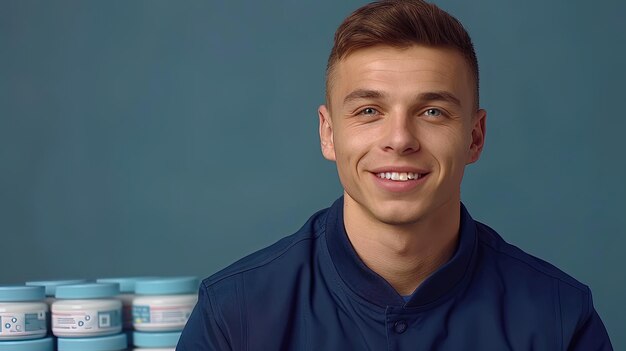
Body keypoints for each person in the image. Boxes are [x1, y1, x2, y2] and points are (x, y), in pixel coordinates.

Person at [177, 1, 613, 350]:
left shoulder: (560, 320)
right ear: (329, 135)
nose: (400, 139)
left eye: (432, 111)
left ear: (475, 137)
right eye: (369, 111)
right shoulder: (233, 318)